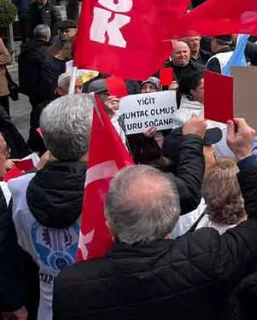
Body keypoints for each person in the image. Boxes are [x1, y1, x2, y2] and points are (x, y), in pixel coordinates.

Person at [51, 117, 257, 320]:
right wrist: (245, 156)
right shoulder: (207, 256)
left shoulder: (70, 287)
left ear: (109, 226)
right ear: (171, 220)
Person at [0, 95, 205, 320]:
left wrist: (13, 299)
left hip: (53, 306)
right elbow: (187, 194)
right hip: (114, 302)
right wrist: (193, 140)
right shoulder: (119, 188)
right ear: (97, 136)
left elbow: (12, 251)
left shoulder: (18, 188)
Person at [20, 25, 52, 154]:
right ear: (47, 36)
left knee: (35, 115)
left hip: (30, 90)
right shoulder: (45, 51)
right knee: (41, 118)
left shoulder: (25, 50)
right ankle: (38, 143)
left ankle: (35, 143)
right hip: (41, 90)